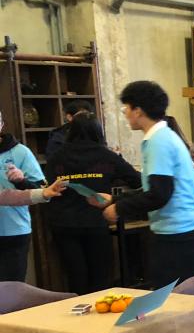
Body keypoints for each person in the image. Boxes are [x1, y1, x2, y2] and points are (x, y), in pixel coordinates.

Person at [95, 81, 194, 289]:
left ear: (138, 110)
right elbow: (155, 189)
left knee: (175, 301)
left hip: (180, 234)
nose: (125, 114)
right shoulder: (161, 137)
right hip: (180, 231)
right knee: (172, 297)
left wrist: (119, 208)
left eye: (126, 108)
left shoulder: (159, 141)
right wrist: (114, 199)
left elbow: (159, 194)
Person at [45, 115, 142, 294]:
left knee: (76, 277)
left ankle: (79, 309)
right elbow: (137, 180)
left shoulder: (57, 157)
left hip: (63, 223)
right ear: (98, 132)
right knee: (100, 278)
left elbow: (47, 185)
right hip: (95, 222)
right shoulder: (106, 156)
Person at [0, 108, 48, 282]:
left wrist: (21, 180)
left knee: (12, 287)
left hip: (14, 230)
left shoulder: (20, 152)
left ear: (1, 124)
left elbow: (42, 189)